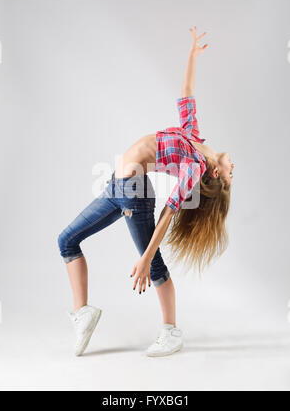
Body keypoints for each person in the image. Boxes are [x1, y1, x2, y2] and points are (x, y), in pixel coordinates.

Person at [58, 26, 234, 358]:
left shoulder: (195, 166)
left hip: (135, 190)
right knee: (66, 241)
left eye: (229, 177)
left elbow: (169, 211)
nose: (232, 169)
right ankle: (82, 314)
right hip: (117, 184)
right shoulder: (192, 134)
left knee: (153, 267)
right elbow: (186, 90)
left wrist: (146, 254)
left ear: (214, 173)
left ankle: (171, 331)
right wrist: (191, 55)